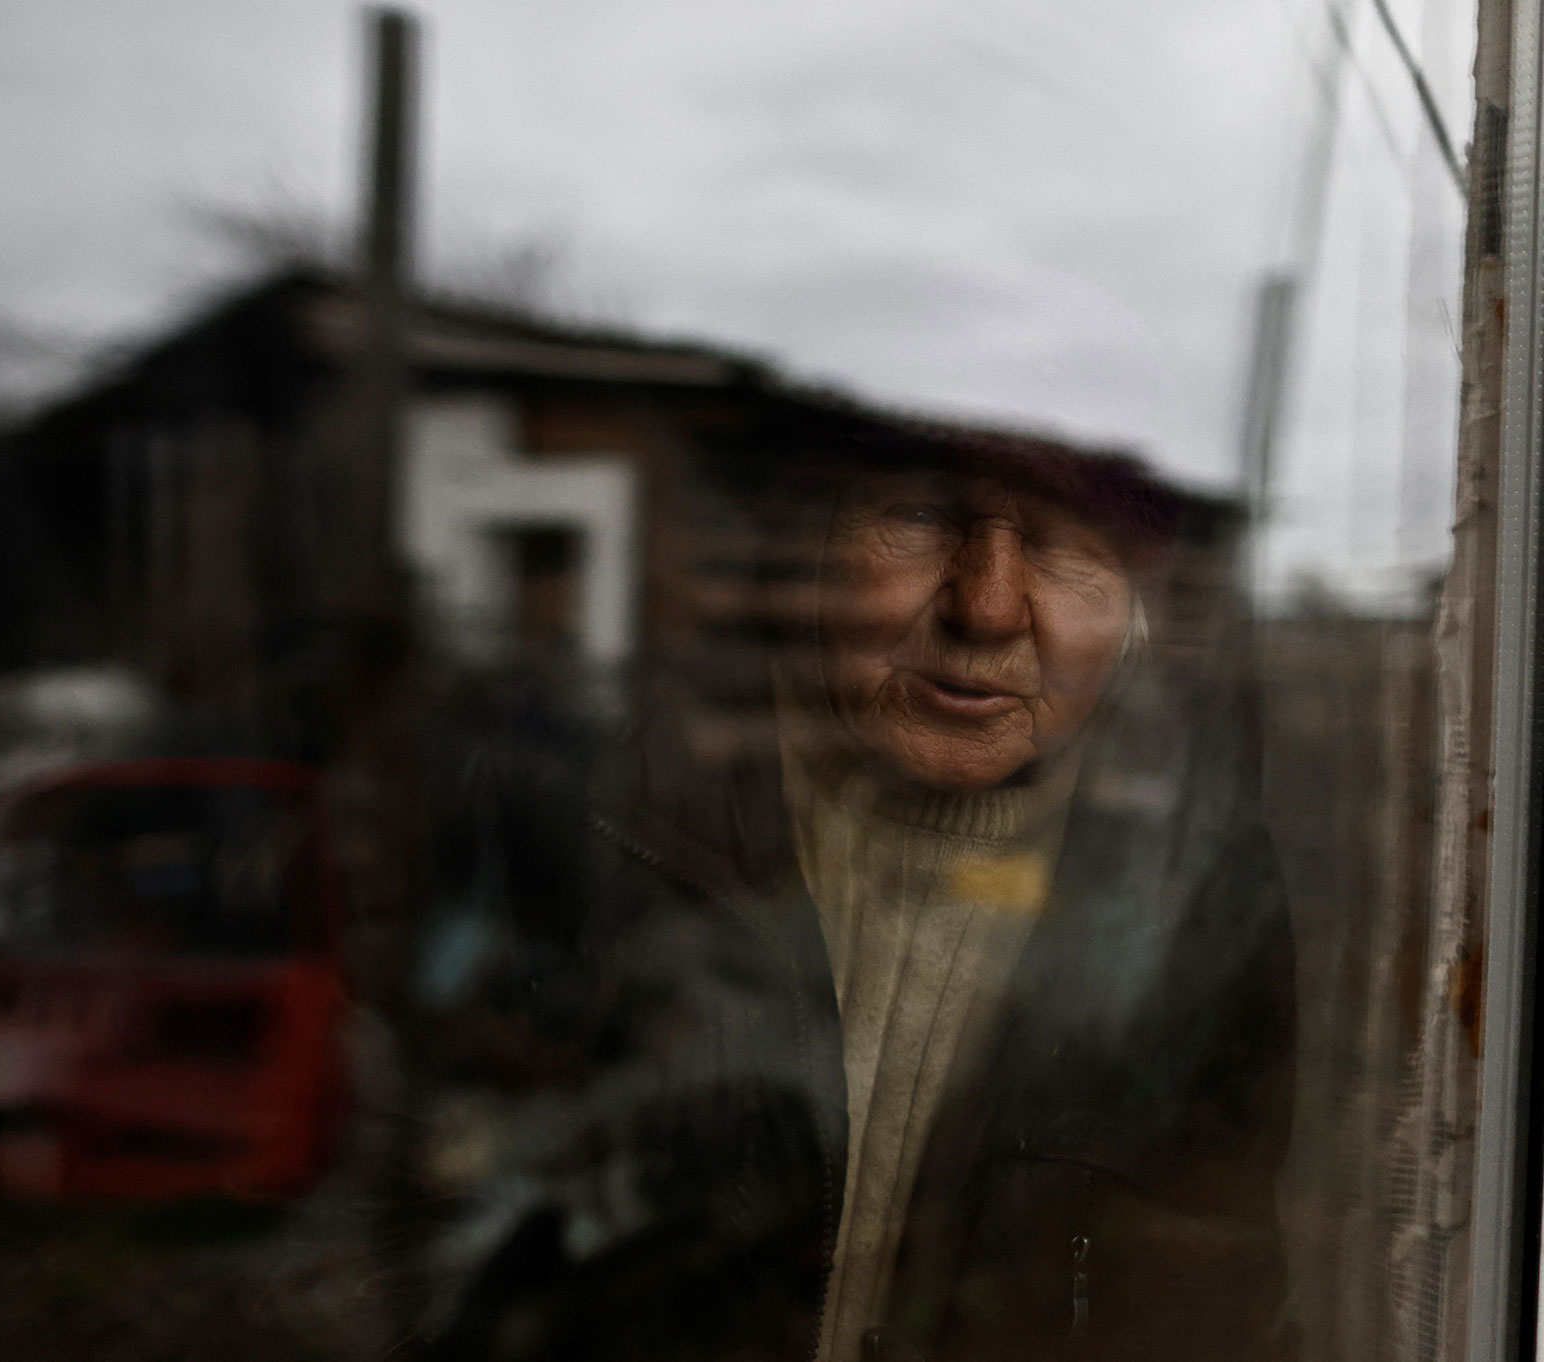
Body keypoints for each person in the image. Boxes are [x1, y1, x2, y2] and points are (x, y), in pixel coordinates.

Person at [406, 432, 1295, 1362]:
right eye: (920, 521)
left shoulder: (1196, 927)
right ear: (805, 557)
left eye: (1066, 549)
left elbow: (1213, 1263)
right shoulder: (611, 849)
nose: (987, 609)